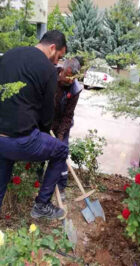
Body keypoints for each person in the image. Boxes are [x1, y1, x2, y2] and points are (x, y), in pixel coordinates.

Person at [0, 30, 68, 219]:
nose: (56, 62)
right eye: (59, 57)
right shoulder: (48, 70)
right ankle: (42, 205)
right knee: (60, 151)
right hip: (20, 140)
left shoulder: (9, 55)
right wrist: (44, 135)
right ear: (53, 48)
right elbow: (47, 115)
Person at [52, 58, 82, 201]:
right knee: (41, 151)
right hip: (46, 122)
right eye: (68, 76)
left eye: (73, 78)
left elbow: (68, 115)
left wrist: (60, 135)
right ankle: (40, 177)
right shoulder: (50, 76)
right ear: (62, 69)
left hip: (63, 124)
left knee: (62, 152)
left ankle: (61, 187)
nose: (70, 81)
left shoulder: (75, 89)